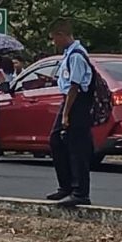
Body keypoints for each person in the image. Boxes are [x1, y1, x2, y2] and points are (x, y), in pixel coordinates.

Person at [46, 20, 94, 207]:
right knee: (57, 141)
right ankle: (65, 186)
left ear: (61, 35)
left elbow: (75, 86)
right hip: (69, 100)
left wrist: (66, 114)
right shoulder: (68, 54)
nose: (53, 43)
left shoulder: (77, 55)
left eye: (54, 39)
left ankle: (80, 192)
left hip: (76, 103)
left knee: (76, 148)